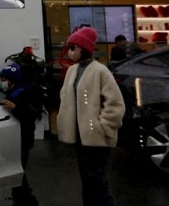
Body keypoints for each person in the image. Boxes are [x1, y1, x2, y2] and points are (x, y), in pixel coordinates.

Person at [57, 26, 125, 206]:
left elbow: (115, 103)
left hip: (97, 137)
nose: (70, 52)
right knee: (87, 182)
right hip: (79, 136)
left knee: (98, 183)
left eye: (73, 47)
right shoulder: (73, 70)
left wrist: (103, 127)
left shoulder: (100, 70)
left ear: (83, 48)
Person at [0, 62, 43, 206]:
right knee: (15, 172)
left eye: (5, 80)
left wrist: (15, 108)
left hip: (22, 138)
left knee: (17, 172)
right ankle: (21, 199)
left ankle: (28, 201)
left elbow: (31, 114)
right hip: (12, 138)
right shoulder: (11, 92)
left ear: (13, 80)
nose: (3, 83)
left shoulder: (26, 92)